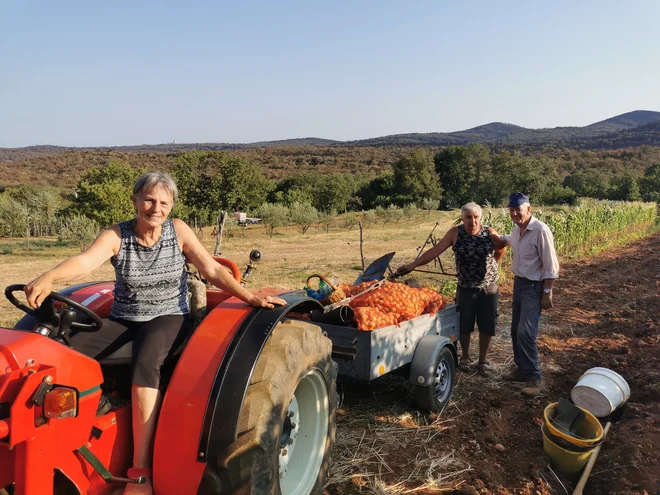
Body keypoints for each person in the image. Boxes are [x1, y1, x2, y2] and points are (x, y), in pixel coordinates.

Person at [24, 172, 286, 495]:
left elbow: (212, 269)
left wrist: (250, 297)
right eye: (148, 199)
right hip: (125, 318)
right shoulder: (117, 235)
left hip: (168, 316)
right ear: (135, 200)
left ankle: (140, 473)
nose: (155, 207)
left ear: (171, 206)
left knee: (146, 363)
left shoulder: (178, 232)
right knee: (63, 346)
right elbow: (85, 261)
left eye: (163, 202)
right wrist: (50, 276)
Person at [397, 202, 506, 375]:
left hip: (488, 287)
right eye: (468, 217)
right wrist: (413, 264)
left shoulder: (489, 233)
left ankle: (483, 361)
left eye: (476, 217)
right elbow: (435, 250)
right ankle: (465, 358)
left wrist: (494, 264)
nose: (473, 221)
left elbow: (501, 248)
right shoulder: (456, 233)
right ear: (462, 218)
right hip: (465, 287)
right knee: (464, 323)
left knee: (487, 324)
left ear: (480, 218)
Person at [492, 192, 559, 397]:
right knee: (515, 330)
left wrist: (547, 292)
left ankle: (535, 377)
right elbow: (506, 240)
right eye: (511, 210)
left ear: (528, 209)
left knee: (526, 332)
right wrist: (492, 235)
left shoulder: (540, 230)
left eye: (518, 210)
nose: (514, 213)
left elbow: (551, 265)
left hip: (534, 287)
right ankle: (521, 370)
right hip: (519, 285)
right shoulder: (517, 229)